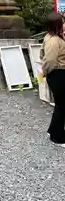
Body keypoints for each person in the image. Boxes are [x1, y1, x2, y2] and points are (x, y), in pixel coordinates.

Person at [40, 12, 65, 146]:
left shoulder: (50, 37)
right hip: (58, 74)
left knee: (60, 105)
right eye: (62, 21)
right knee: (62, 106)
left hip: (57, 74)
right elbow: (49, 60)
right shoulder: (54, 40)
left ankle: (53, 130)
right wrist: (45, 72)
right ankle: (57, 137)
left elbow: (41, 54)